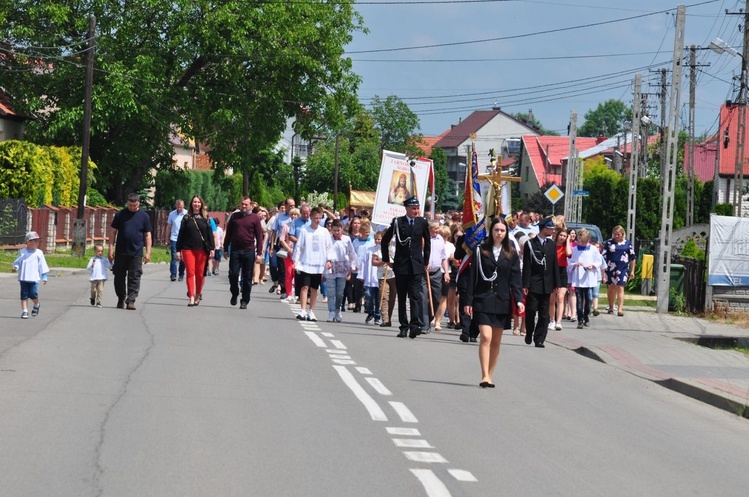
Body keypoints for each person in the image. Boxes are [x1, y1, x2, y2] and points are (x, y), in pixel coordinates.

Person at [464, 217, 523, 388]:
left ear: (506, 233)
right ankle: (483, 375)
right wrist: (468, 301)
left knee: (496, 341)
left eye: (502, 231)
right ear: (491, 232)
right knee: (486, 337)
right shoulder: (481, 251)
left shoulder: (511, 253)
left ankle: (490, 375)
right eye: (496, 230)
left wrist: (519, 300)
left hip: (502, 301)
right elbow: (472, 277)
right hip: (483, 299)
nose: (499, 233)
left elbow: (515, 280)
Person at [380, 196, 431, 339]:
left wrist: (426, 261)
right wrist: (386, 259)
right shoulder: (398, 222)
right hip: (401, 265)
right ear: (407, 208)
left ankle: (415, 325)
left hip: (416, 266)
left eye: (417, 208)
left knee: (415, 296)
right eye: (413, 208)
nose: (416, 211)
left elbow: (427, 242)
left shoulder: (422, 222)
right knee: (402, 297)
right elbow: (385, 241)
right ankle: (403, 326)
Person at [108, 193, 152, 310]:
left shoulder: (144, 216)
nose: (132, 207)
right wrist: (110, 249)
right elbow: (112, 232)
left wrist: (148, 252)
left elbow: (147, 235)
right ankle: (121, 298)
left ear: (139, 203)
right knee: (119, 276)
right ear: (127, 203)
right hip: (121, 251)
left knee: (134, 277)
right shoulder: (120, 214)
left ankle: (131, 300)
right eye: (130, 205)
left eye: (135, 205)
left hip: (136, 252)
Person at [522, 216, 560, 348]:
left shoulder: (552, 244)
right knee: (531, 310)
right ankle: (529, 332)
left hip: (547, 283)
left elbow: (555, 264)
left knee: (544, 314)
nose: (553, 231)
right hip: (534, 282)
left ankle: (539, 339)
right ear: (544, 229)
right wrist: (525, 284)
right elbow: (527, 265)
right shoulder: (530, 244)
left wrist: (557, 283)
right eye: (551, 228)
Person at [224, 196, 264, 309]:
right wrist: (226, 248)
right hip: (235, 250)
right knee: (233, 274)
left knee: (247, 277)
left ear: (250, 205)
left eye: (246, 204)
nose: (244, 206)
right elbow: (229, 233)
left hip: (249, 250)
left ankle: (245, 300)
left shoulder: (255, 218)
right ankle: (235, 293)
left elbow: (259, 236)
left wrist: (259, 253)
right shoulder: (235, 216)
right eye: (242, 204)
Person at [293, 207, 332, 322]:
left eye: (320, 218)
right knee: (305, 286)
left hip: (318, 264)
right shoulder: (305, 230)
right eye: (316, 218)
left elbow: (329, 247)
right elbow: (299, 246)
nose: (318, 220)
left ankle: (312, 311)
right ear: (311, 217)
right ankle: (303, 310)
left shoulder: (324, 232)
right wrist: (296, 260)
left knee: (315, 288)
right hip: (306, 263)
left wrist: (329, 260)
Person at [176, 196, 215, 307]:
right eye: (194, 202)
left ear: (201, 204)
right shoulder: (186, 218)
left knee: (200, 274)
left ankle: (198, 295)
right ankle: (191, 297)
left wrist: (212, 248)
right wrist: (178, 250)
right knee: (190, 272)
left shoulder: (206, 218)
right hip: (188, 248)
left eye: (198, 202)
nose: (196, 204)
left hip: (202, 249)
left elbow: (209, 235)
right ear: (191, 204)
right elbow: (181, 234)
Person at [568, 228, 605, 328]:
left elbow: (599, 261)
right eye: (580, 241)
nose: (582, 243)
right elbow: (570, 262)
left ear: (588, 240)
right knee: (579, 300)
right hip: (578, 279)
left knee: (588, 299)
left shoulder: (593, 249)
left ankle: (586, 315)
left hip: (589, 278)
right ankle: (580, 320)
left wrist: (592, 265)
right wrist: (575, 264)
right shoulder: (575, 250)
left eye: (584, 242)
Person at [12, 231, 49, 319]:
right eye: (33, 241)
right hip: (24, 278)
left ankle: (36, 304)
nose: (35, 243)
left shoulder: (39, 253)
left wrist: (44, 276)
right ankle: (25, 311)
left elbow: (42, 265)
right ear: (27, 242)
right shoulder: (23, 252)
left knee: (33, 294)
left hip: (34, 278)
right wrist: (16, 267)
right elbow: (18, 262)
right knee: (24, 295)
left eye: (37, 241)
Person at [326, 219, 357, 322]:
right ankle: (331, 311)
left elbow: (352, 253)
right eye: (334, 230)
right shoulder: (328, 239)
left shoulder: (346, 239)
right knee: (331, 292)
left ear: (341, 229)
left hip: (342, 268)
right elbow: (325, 251)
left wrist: (352, 266)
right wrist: (327, 261)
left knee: (339, 292)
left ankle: (337, 309)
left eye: (338, 230)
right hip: (331, 268)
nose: (336, 233)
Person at [603, 225, 636, 316]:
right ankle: (610, 307)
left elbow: (632, 257)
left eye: (618, 234)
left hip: (622, 268)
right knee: (611, 288)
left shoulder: (627, 243)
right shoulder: (609, 243)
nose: (616, 236)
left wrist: (632, 271)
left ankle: (620, 309)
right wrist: (603, 270)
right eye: (615, 234)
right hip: (611, 268)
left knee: (620, 288)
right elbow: (604, 256)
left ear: (622, 234)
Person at [426, 220, 450, 331]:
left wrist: (445, 272)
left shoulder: (440, 239)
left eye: (438, 228)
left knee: (436, 298)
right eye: (435, 228)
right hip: (424, 273)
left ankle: (431, 316)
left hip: (436, 273)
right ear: (429, 228)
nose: (438, 230)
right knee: (423, 297)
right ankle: (424, 322)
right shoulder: (424, 238)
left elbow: (443, 258)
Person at [548, 227, 572, 331]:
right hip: (552, 271)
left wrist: (568, 241)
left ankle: (559, 321)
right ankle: (552, 320)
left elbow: (568, 254)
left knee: (561, 298)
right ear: (557, 236)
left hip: (562, 272)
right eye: (561, 235)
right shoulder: (552, 246)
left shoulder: (566, 246)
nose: (562, 237)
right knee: (552, 299)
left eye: (564, 236)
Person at [373, 228, 396, 327]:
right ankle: (385, 319)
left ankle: (389, 318)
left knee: (392, 298)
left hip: (394, 275)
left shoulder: (396, 246)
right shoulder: (378, 248)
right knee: (384, 297)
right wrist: (384, 261)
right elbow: (374, 262)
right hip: (383, 275)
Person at [358, 230, 382, 325]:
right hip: (370, 277)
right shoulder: (369, 250)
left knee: (379, 298)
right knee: (369, 296)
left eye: (379, 239)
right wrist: (362, 275)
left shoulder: (384, 250)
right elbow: (363, 263)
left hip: (379, 277)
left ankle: (378, 315)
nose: (377, 241)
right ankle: (370, 312)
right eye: (376, 239)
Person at [278, 207, 300, 303]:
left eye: (296, 215)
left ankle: (297, 294)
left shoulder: (301, 227)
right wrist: (288, 249)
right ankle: (289, 293)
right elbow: (281, 239)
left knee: (297, 273)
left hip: (299, 253)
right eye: (292, 214)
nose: (294, 216)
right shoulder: (286, 226)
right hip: (288, 253)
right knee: (288, 273)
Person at [86, 242, 111, 308]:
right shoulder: (92, 259)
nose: (100, 252)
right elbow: (88, 268)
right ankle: (92, 298)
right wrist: (92, 265)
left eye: (101, 251)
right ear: (95, 251)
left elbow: (109, 266)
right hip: (94, 278)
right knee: (93, 290)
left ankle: (99, 302)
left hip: (101, 278)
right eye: (98, 251)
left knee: (100, 290)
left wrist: (111, 261)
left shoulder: (104, 259)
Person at [167, 199, 186, 282]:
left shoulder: (187, 214)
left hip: (185, 239)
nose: (179, 209)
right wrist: (166, 238)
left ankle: (181, 274)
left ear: (183, 206)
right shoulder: (172, 214)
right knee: (174, 256)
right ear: (176, 206)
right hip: (174, 238)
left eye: (180, 207)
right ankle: (173, 274)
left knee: (183, 257)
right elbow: (168, 227)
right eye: (178, 207)